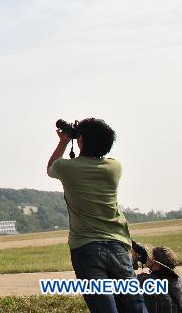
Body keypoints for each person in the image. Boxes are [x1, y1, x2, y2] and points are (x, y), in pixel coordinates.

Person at [47, 118, 147, 313]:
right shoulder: (114, 167)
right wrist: (79, 137)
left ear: (81, 140)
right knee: (135, 306)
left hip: (86, 248)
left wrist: (64, 141)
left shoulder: (66, 168)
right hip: (118, 246)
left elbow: (51, 167)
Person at [133, 243, 182, 313]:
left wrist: (134, 260)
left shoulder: (145, 280)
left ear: (157, 262)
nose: (148, 258)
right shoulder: (181, 280)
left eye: (151, 257)